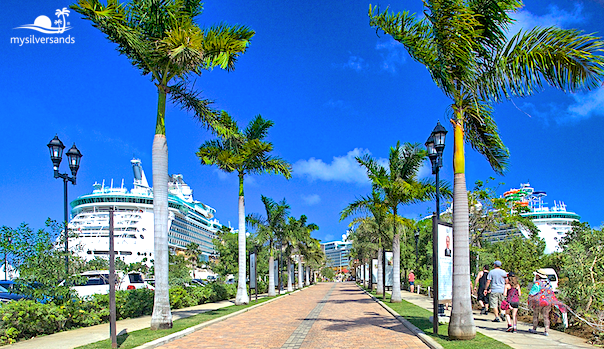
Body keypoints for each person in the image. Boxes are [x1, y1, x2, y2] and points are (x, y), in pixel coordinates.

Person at [528, 269, 567, 336]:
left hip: (539, 301)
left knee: (536, 315)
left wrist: (530, 300)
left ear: (538, 276)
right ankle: (546, 330)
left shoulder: (537, 283)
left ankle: (534, 328)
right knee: (546, 316)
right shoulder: (548, 282)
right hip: (548, 301)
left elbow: (533, 292)